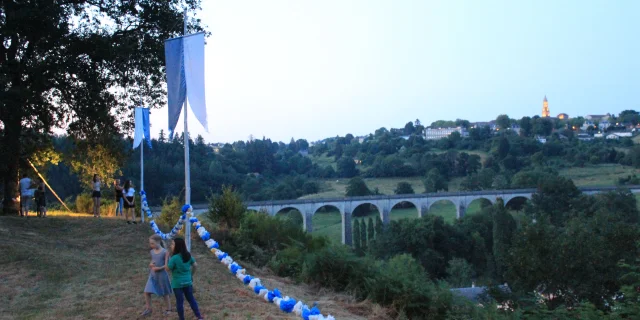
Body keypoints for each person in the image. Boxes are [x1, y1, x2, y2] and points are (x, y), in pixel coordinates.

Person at [165, 238, 203, 320]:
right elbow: (195, 265)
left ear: (177, 246)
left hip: (177, 284)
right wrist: (191, 275)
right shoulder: (188, 255)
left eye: (172, 244)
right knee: (191, 299)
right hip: (188, 282)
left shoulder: (174, 258)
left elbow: (167, 269)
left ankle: (181, 318)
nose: (171, 246)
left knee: (179, 301)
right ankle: (199, 316)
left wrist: (166, 258)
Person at [141, 234, 172, 317]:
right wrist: (151, 264)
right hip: (153, 275)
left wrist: (159, 268)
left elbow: (167, 265)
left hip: (162, 275)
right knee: (146, 292)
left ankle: (169, 309)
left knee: (164, 293)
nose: (151, 245)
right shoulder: (152, 252)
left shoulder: (165, 252)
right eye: (150, 243)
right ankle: (149, 309)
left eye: (152, 243)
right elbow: (152, 261)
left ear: (158, 242)